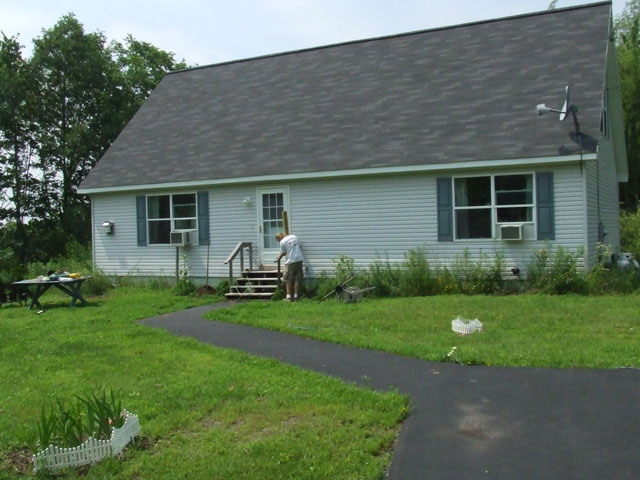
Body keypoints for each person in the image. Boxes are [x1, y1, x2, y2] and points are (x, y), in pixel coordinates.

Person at [275, 232, 304, 301]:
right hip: (299, 259)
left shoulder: (282, 242)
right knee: (297, 278)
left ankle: (288, 296)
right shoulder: (294, 237)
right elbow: (299, 246)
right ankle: (296, 296)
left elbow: (284, 252)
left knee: (288, 278)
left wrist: (278, 258)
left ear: (279, 238)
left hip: (291, 261)